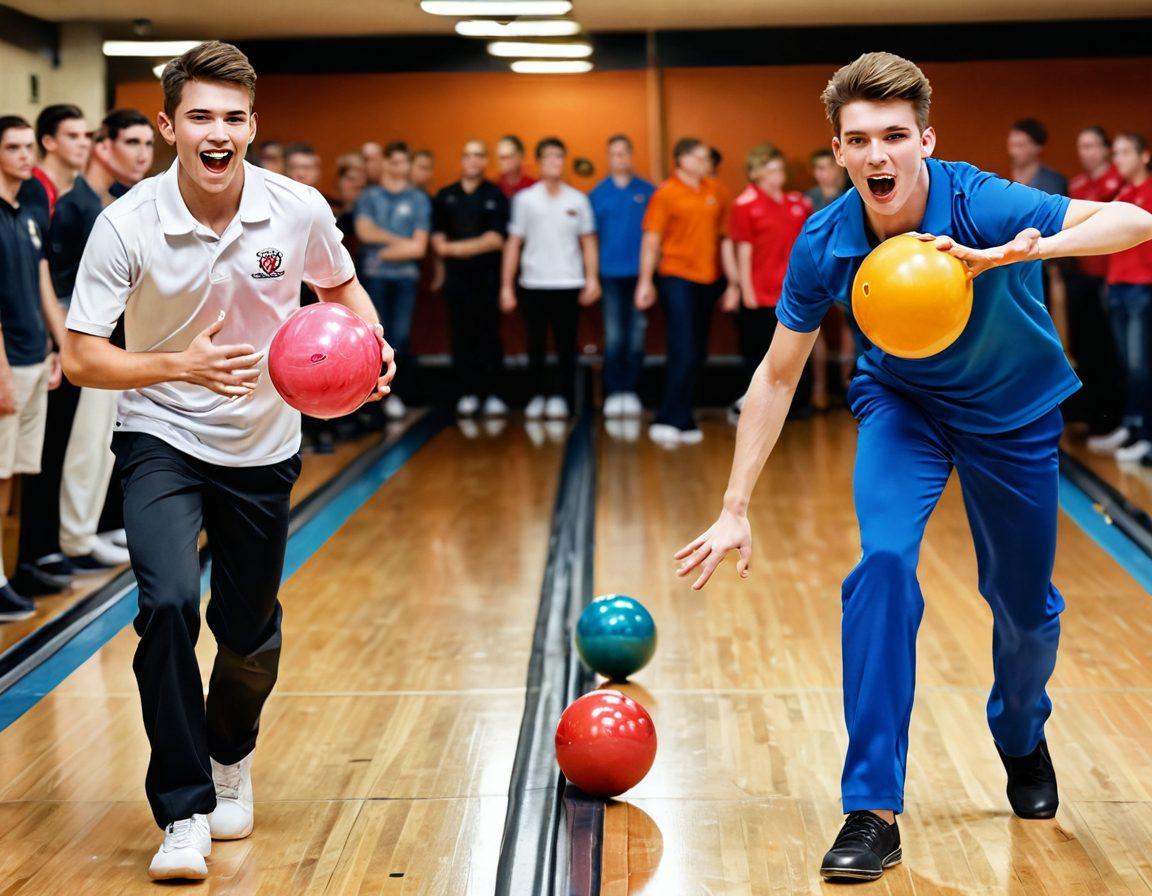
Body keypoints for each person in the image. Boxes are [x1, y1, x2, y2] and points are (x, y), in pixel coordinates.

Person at [673, 52, 1152, 884]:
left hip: (1016, 415)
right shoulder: (826, 237)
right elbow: (778, 373)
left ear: (925, 139)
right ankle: (873, 809)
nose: (878, 155)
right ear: (839, 151)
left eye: (895, 135)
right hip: (905, 409)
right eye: (859, 140)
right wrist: (734, 503)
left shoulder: (979, 199)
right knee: (884, 566)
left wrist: (1009, 255)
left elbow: (1130, 222)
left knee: (1026, 611)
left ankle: (1019, 728)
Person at [61, 41, 394, 881]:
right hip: (160, 435)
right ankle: (182, 809)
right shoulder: (126, 223)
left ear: (253, 125)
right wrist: (181, 364)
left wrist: (372, 344)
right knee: (168, 605)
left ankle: (229, 756)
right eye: (200, 117)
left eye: (234, 118)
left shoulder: (298, 208)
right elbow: (82, 358)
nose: (219, 133)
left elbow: (341, 288)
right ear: (169, 126)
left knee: (246, 633)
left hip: (263, 443)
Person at [14, 109, 154, 597]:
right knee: (51, 454)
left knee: (88, 448)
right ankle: (54, 544)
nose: (141, 153)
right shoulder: (46, 198)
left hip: (75, 337)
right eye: (71, 136)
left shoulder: (93, 200)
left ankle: (75, 536)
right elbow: (44, 280)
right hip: (55, 339)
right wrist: (61, 339)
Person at [0, 116, 65, 621]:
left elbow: (43, 283)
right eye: (14, 147)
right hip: (5, 365)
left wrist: (63, 346)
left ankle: (11, 569)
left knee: (18, 476)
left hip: (34, 358)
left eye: (28, 146)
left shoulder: (35, 206)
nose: (26, 155)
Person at [636, 137, 737, 445]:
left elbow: (725, 238)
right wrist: (644, 281)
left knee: (698, 350)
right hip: (676, 277)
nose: (708, 162)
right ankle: (671, 416)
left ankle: (681, 414)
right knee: (683, 347)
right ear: (683, 159)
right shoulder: (665, 194)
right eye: (702, 156)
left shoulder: (716, 191)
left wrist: (732, 283)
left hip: (708, 279)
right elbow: (651, 241)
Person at [500, 137, 599, 419]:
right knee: (535, 344)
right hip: (534, 283)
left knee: (567, 345)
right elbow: (513, 243)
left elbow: (589, 242)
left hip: (568, 283)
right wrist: (507, 286)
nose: (555, 162)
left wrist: (592, 279)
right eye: (549, 157)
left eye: (559, 156)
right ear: (540, 162)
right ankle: (537, 396)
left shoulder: (578, 199)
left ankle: (565, 398)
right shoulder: (525, 200)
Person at [727, 144, 812, 421]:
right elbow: (743, 249)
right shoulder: (746, 204)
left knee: (793, 351)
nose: (778, 174)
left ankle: (794, 406)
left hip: (791, 290)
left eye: (779, 168)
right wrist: (746, 291)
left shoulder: (796, 203)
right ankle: (754, 406)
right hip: (760, 292)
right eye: (770, 169)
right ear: (756, 173)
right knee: (758, 351)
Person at [432, 139, 510, 417]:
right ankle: (465, 393)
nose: (473, 161)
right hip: (457, 283)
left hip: (488, 280)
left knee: (489, 337)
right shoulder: (445, 196)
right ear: (462, 160)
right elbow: (439, 244)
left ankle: (492, 394)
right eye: (468, 156)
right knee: (461, 337)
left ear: (485, 161)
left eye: (479, 155)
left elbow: (496, 240)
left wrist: (456, 248)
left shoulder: (495, 195)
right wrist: (469, 247)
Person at [354, 141, 431, 420]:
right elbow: (365, 232)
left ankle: (393, 396)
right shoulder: (370, 197)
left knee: (399, 337)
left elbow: (419, 248)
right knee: (372, 340)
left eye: (403, 162)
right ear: (385, 163)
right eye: (393, 161)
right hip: (373, 279)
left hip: (405, 278)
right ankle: (369, 399)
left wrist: (385, 248)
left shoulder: (418, 199)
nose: (398, 167)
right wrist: (400, 243)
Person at [1069, 127, 1127, 448]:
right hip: (1082, 279)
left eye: (1092, 146)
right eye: (1082, 145)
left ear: (1106, 149)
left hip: (1111, 279)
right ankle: (1095, 417)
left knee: (1112, 351)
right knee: (1086, 349)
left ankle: (1116, 419)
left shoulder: (1118, 181)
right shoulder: (1077, 184)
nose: (1086, 152)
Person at [588, 134, 654, 418]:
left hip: (640, 274)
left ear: (631, 155)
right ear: (608, 157)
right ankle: (614, 391)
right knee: (614, 336)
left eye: (624, 153)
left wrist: (649, 278)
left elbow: (654, 237)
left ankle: (631, 390)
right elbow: (589, 239)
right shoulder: (597, 194)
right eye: (614, 153)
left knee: (637, 335)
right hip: (610, 275)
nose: (619, 158)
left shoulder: (647, 191)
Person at [1103, 133, 1152, 464]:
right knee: (1126, 365)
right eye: (1115, 153)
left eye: (1124, 152)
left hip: (1142, 289)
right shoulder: (1121, 194)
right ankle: (1131, 424)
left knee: (1141, 365)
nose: (1117, 159)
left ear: (1144, 156)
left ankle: (1147, 436)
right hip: (1118, 287)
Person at [805, 148, 855, 408]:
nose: (824, 174)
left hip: (847, 270)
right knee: (812, 330)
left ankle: (848, 385)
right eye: (818, 168)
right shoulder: (807, 200)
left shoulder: (853, 195)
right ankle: (819, 388)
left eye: (829, 167)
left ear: (840, 168)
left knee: (852, 325)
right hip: (816, 271)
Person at [17, 104, 92, 222]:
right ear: (48, 142)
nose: (84, 143)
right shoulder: (27, 188)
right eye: (73, 136)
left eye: (87, 136)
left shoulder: (84, 187)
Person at [806, 147, 849, 212]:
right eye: (815, 167)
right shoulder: (808, 198)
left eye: (822, 168)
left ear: (838, 167)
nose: (817, 172)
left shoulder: (853, 193)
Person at [496, 135, 536, 199]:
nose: (503, 162)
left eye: (508, 157)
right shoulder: (495, 186)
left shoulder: (533, 187)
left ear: (520, 156)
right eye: (500, 157)